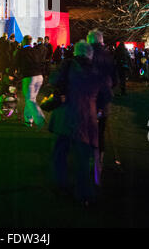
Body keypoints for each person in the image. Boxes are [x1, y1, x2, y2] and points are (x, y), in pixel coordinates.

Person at [49, 40, 112, 206]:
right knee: (83, 158)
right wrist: (98, 108)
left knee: (60, 154)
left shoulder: (68, 65)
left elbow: (54, 80)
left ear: (76, 52)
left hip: (65, 115)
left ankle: (61, 184)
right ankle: (84, 194)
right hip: (86, 118)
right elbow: (107, 94)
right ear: (90, 54)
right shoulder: (97, 72)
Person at [87, 29, 117, 183]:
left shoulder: (89, 55)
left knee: (89, 130)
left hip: (92, 97)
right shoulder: (108, 56)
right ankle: (99, 162)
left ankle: (91, 160)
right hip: (105, 97)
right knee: (101, 131)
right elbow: (115, 78)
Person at [14, 35, 45, 128]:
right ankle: (28, 120)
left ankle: (39, 118)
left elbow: (15, 63)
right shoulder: (36, 51)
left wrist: (12, 73)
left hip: (29, 77)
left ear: (24, 41)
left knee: (30, 99)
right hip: (39, 76)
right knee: (31, 99)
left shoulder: (21, 51)